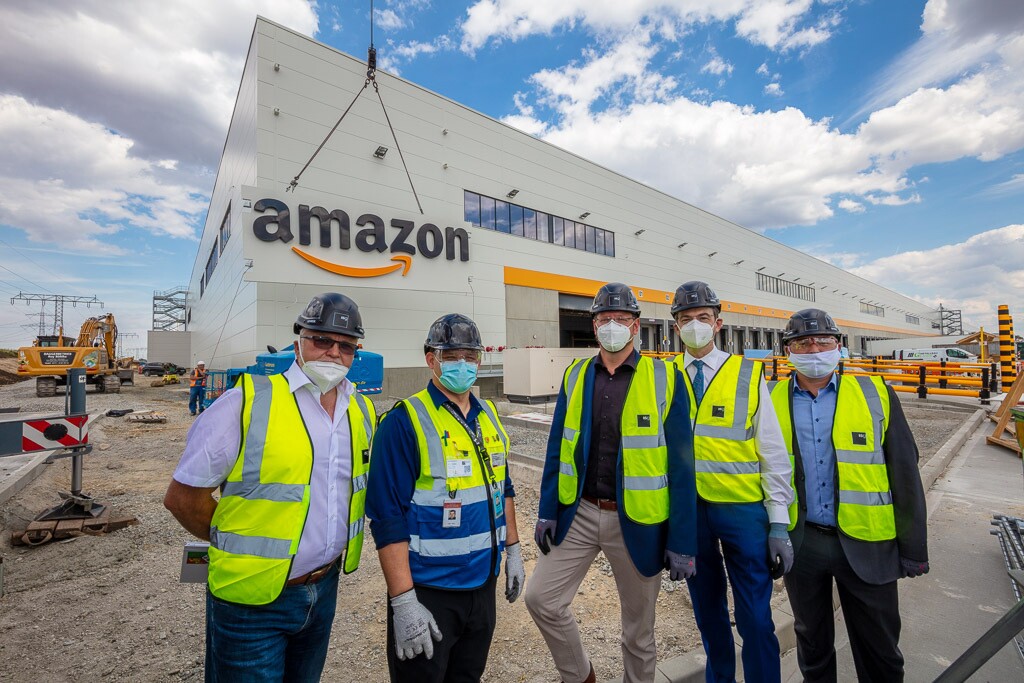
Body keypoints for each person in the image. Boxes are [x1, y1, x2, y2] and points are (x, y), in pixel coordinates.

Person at [163, 292, 377, 682]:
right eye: (322, 340)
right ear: (299, 340)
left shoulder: (360, 410)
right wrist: (237, 544)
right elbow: (182, 499)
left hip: (323, 589)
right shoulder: (245, 402)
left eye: (345, 346)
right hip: (250, 603)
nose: (333, 353)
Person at [525, 282, 696, 683]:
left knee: (639, 633)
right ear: (595, 326)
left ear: (636, 327)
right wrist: (547, 510)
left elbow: (683, 468)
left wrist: (682, 542)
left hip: (636, 520)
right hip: (580, 513)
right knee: (541, 599)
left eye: (621, 319)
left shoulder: (665, 378)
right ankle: (580, 675)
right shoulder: (577, 374)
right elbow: (558, 448)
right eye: (605, 319)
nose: (612, 325)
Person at [771, 309, 929, 682]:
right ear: (788, 350)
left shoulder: (875, 393)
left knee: (880, 648)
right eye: (802, 343)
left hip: (868, 542)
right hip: (804, 542)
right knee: (812, 644)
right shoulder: (771, 398)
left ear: (838, 346)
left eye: (822, 341)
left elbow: (904, 473)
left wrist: (913, 549)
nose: (813, 349)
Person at [365, 313, 524, 683]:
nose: (463, 364)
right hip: (430, 592)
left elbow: (504, 487)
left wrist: (513, 549)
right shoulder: (405, 421)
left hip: (482, 587)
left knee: (467, 677)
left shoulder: (489, 416)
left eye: (470, 356)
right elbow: (387, 516)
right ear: (430, 358)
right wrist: (403, 602)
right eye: (452, 356)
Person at [670, 280, 794, 683]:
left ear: (718, 323)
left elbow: (772, 452)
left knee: (756, 618)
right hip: (689, 515)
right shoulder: (663, 375)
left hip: (743, 512)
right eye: (685, 319)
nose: (694, 325)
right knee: (707, 613)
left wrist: (778, 521)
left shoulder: (746, 374)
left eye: (702, 318)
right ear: (675, 327)